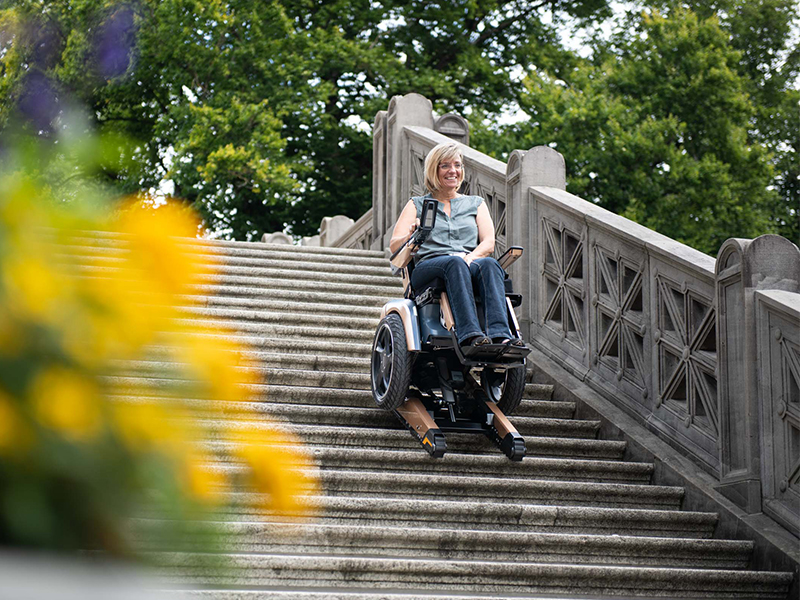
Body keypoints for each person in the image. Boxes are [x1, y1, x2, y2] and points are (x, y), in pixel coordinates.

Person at [389, 141, 524, 353]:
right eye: (445, 166)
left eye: (457, 165)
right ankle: (469, 335)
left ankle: (502, 335)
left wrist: (471, 257)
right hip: (430, 266)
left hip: (467, 261)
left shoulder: (476, 203)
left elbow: (488, 243)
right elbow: (394, 246)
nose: (453, 171)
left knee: (489, 264)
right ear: (434, 170)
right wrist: (412, 233)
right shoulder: (417, 204)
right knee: (454, 263)